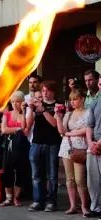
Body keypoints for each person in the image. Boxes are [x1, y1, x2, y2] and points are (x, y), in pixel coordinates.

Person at [26, 79, 62, 212]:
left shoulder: (58, 105)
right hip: (36, 142)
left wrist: (44, 110)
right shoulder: (37, 105)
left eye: (47, 91)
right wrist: (31, 109)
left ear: (53, 91)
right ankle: (37, 200)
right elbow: (29, 124)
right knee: (36, 174)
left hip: (52, 143)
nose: (45, 93)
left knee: (52, 175)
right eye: (43, 91)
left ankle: (51, 201)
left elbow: (54, 124)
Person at [57, 86, 91, 216]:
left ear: (82, 99)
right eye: (71, 99)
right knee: (69, 179)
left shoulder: (88, 112)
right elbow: (61, 131)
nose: (72, 102)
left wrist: (71, 133)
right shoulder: (69, 113)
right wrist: (59, 118)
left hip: (81, 147)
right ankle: (72, 205)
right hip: (67, 147)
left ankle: (84, 206)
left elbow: (87, 129)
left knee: (80, 179)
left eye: (75, 99)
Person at [0, 92, 30, 206]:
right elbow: (3, 129)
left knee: (21, 170)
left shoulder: (25, 113)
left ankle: (16, 197)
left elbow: (24, 127)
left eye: (17, 101)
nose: (14, 104)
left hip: (22, 144)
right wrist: (17, 129)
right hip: (9, 143)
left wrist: (22, 112)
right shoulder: (7, 114)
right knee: (7, 169)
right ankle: (8, 197)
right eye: (12, 102)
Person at [85, 93, 101, 218]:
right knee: (92, 179)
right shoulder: (95, 101)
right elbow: (89, 124)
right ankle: (95, 207)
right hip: (93, 144)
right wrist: (90, 143)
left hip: (99, 144)